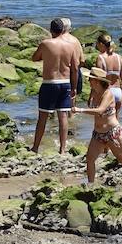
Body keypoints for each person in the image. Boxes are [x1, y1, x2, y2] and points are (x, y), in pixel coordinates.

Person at [72, 67, 122, 184]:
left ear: (97, 81)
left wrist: (80, 110)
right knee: (90, 159)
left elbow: (100, 111)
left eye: (90, 79)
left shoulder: (108, 94)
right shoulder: (94, 92)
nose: (88, 81)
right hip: (98, 134)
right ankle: (91, 185)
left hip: (112, 133)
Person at [31, 18, 82, 155]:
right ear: (63, 30)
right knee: (63, 116)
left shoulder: (46, 43)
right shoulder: (70, 46)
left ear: (50, 29)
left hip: (50, 83)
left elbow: (34, 58)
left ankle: (35, 147)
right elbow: (75, 68)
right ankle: (63, 149)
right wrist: (74, 87)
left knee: (42, 117)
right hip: (65, 83)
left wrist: (47, 56)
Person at [93, 33, 122, 109]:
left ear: (101, 44)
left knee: (102, 120)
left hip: (106, 92)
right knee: (115, 120)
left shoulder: (100, 58)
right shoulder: (119, 58)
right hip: (118, 92)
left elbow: (98, 79)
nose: (97, 46)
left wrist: (92, 96)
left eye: (97, 44)